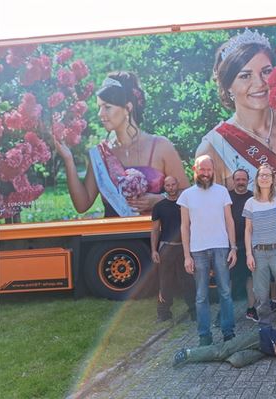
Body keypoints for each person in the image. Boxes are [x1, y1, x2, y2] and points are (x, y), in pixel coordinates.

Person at [195, 29, 276, 188]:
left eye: (266, 72)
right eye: (245, 76)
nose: (260, 83)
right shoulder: (212, 148)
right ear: (228, 86)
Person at [55, 71, 189, 217]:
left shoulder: (161, 147)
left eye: (107, 107)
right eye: (99, 107)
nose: (100, 114)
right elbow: (82, 205)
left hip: (156, 236)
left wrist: (161, 200)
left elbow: (188, 196)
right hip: (113, 237)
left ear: (128, 108)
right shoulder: (101, 154)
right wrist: (68, 159)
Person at [178, 155, 237, 346]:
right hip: (198, 251)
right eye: (202, 169)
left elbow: (230, 221)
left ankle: (228, 332)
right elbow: (184, 227)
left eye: (209, 169)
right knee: (201, 295)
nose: (205, 173)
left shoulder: (222, 192)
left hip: (221, 247)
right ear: (195, 170)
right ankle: (204, 335)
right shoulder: (186, 195)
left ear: (213, 171)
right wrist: (187, 256)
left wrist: (233, 247)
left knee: (225, 292)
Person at [173, 309, 276, 369]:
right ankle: (187, 353)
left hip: (264, 351)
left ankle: (226, 349)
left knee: (237, 361)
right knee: (222, 352)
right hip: (260, 338)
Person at [243, 164, 276, 328]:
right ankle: (265, 329)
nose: (264, 177)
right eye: (261, 175)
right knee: (261, 295)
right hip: (259, 254)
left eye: (267, 175)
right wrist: (249, 254)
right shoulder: (250, 203)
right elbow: (248, 230)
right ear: (257, 179)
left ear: (272, 180)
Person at [151, 176, 196, 322]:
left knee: (188, 281)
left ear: (178, 184)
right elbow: (155, 229)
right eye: (167, 185)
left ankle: (194, 312)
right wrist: (154, 250)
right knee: (165, 282)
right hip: (167, 248)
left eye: (173, 184)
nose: (171, 187)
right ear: (164, 187)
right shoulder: (159, 206)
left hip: (184, 248)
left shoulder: (185, 204)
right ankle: (163, 313)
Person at [228, 168, 258, 321]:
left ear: (248, 181)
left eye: (243, 179)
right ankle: (226, 312)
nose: (240, 182)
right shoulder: (227, 198)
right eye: (237, 179)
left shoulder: (253, 197)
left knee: (250, 277)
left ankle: (251, 309)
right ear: (233, 181)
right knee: (228, 279)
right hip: (230, 245)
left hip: (250, 244)